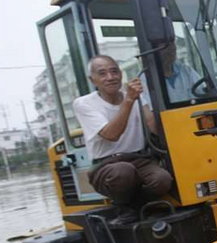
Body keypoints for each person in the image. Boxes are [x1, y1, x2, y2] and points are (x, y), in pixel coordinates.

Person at [73, 55, 173, 224]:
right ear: (93, 80)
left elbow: (152, 126)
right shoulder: (83, 104)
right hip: (106, 164)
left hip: (139, 159)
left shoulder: (136, 97)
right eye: (102, 74)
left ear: (121, 74)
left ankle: (140, 205)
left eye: (114, 71)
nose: (110, 77)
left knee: (162, 179)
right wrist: (128, 101)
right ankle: (124, 207)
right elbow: (111, 134)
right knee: (123, 171)